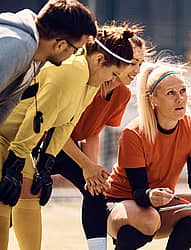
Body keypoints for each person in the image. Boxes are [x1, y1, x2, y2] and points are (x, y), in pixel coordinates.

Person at [0, 25, 136, 250]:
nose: (112, 80)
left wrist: (46, 163)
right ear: (100, 59)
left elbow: (66, 123)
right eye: (113, 74)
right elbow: (38, 117)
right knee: (4, 199)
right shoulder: (72, 70)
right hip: (6, 136)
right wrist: (14, 165)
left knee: (31, 194)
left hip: (19, 140)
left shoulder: (92, 79)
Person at [49, 25, 146, 250]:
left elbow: (93, 131)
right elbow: (57, 130)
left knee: (96, 189)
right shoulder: (84, 81)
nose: (137, 70)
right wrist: (86, 165)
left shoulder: (122, 93)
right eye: (133, 62)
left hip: (72, 149)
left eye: (140, 63)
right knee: (22, 194)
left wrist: (92, 170)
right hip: (45, 144)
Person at [105, 61, 191, 250]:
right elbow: (139, 192)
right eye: (171, 93)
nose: (180, 99)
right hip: (120, 204)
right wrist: (151, 195)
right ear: (153, 99)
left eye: (182, 91)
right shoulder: (134, 133)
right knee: (149, 218)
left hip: (157, 205)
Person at [0, 0, 97, 124]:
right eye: (76, 50)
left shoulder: (37, 56)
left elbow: (6, 105)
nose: (73, 55)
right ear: (60, 45)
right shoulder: (19, 46)